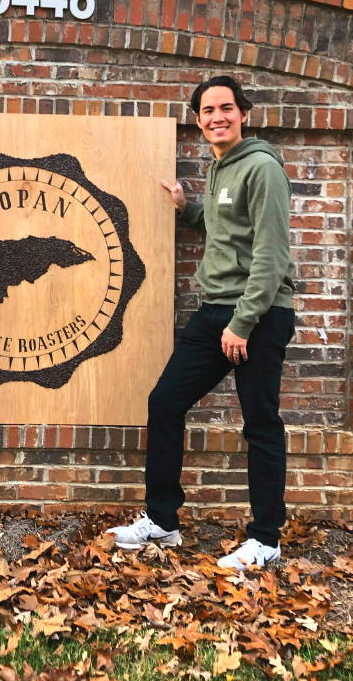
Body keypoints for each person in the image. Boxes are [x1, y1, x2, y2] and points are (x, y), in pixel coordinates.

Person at [107, 75, 296, 571]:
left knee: (259, 423)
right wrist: (187, 208)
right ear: (198, 120)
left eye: (226, 108)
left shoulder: (261, 169)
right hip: (216, 311)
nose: (217, 117)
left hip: (258, 314)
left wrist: (243, 322)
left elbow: (271, 255)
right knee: (165, 401)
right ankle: (163, 520)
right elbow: (225, 225)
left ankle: (265, 538)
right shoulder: (220, 169)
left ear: (244, 113)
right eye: (208, 111)